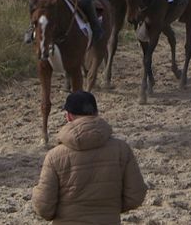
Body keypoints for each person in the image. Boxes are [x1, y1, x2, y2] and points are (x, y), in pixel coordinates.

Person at [32, 91, 147, 224]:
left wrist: (36, 192)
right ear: (96, 113)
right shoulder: (122, 150)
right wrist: (108, 209)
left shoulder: (54, 157)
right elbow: (136, 196)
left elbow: (44, 208)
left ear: (68, 116)